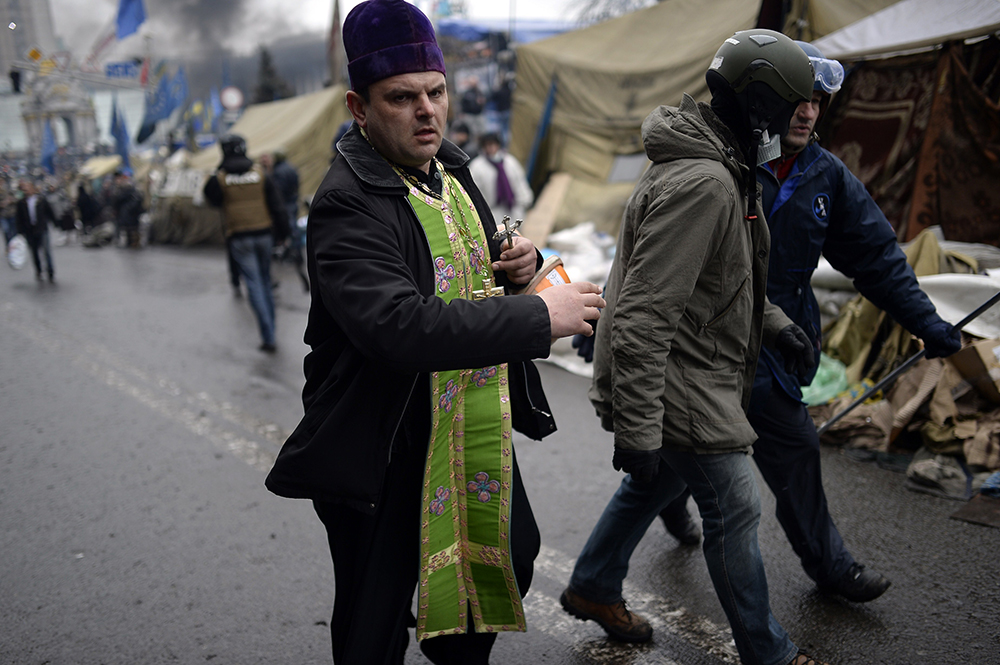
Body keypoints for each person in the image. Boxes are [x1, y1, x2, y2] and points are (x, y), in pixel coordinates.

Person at [262, 1, 605, 663]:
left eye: (436, 92)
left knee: (501, 562)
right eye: (402, 97)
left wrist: (522, 266)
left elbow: (468, 264)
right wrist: (540, 316)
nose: (428, 111)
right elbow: (398, 325)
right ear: (359, 108)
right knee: (374, 621)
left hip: (465, 424)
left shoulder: (450, 171)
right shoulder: (344, 202)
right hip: (384, 439)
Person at [559, 29, 830, 665]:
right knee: (735, 504)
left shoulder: (722, 169)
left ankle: (595, 583)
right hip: (680, 377)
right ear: (760, 109)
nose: (801, 125)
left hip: (692, 369)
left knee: (658, 484)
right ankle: (769, 653)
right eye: (792, 110)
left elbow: (724, 277)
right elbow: (644, 320)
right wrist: (638, 429)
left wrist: (777, 325)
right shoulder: (705, 184)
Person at [657, 42, 963, 603]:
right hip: (703, 346)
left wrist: (927, 322)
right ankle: (636, 533)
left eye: (818, 101)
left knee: (793, 449)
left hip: (777, 350)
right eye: (796, 99)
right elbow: (659, 259)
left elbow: (877, 257)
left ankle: (831, 568)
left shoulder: (826, 177)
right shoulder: (720, 165)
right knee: (672, 459)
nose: (807, 111)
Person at [203, 134, 289, 353]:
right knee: (265, 281)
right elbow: (277, 205)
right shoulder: (260, 173)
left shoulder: (220, 177)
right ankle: (272, 328)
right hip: (264, 233)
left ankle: (268, 335)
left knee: (254, 285)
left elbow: (211, 198)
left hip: (240, 236)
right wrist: (284, 233)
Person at [468, 132, 533, 227]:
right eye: (488, 145)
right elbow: (475, 191)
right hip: (493, 211)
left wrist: (525, 200)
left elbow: (519, 182)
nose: (491, 148)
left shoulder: (510, 161)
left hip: (513, 209)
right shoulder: (477, 167)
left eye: (493, 144)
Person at [269, 150, 308, 292]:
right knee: (294, 228)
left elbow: (278, 189)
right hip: (292, 201)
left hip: (286, 202)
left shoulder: (279, 171)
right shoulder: (291, 168)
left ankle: (293, 253)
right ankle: (297, 253)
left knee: (289, 227)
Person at [15, 179, 56, 282]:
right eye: (24, 189)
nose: (26, 191)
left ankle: (50, 270)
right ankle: (39, 270)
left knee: (46, 250)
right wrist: (20, 231)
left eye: (28, 188)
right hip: (30, 230)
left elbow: (49, 212)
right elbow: (19, 218)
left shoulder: (41, 200)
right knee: (34, 252)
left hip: (42, 228)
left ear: (33, 189)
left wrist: (56, 222)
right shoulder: (21, 203)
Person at [111, 171, 144, 248]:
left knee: (131, 230)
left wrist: (129, 208)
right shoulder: (121, 189)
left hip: (129, 213)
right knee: (128, 230)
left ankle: (133, 243)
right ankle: (130, 243)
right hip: (126, 213)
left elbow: (119, 199)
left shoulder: (127, 190)